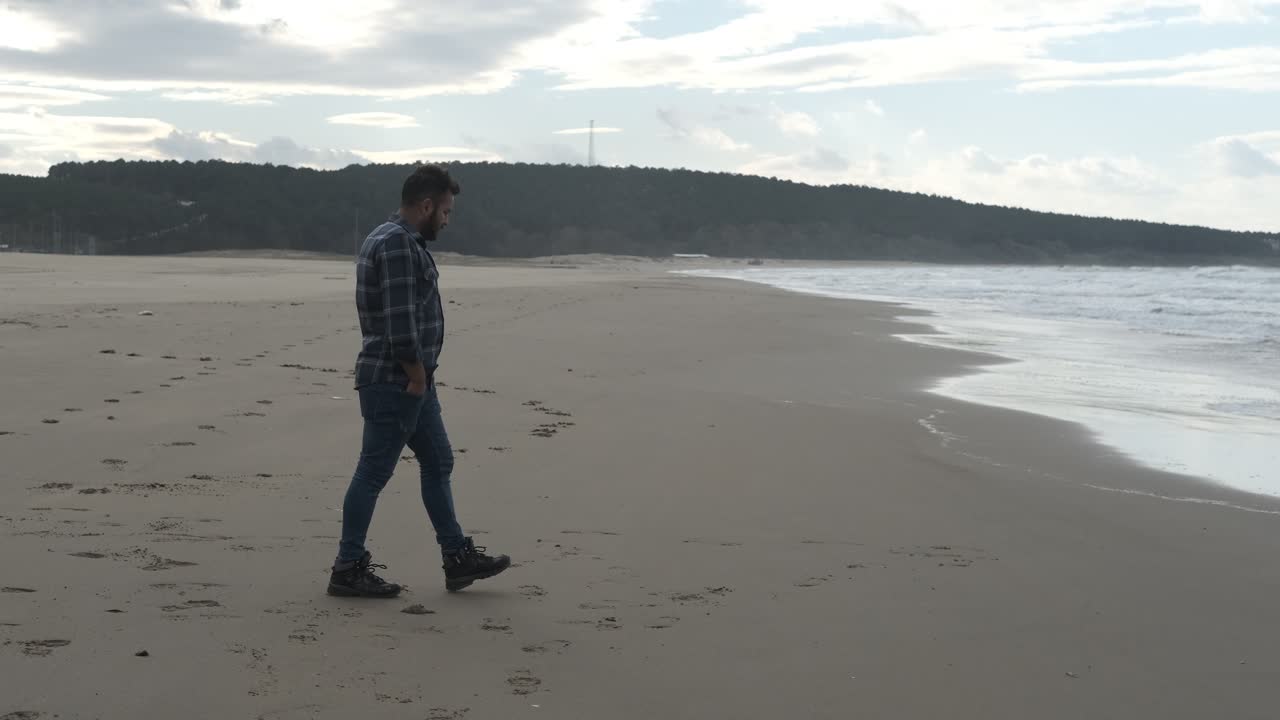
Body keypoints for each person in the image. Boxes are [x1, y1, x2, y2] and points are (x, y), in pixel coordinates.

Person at [328, 164, 510, 598]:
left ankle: (456, 557)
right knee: (373, 471)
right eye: (445, 211)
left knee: (438, 461)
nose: (447, 220)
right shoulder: (395, 245)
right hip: (396, 380)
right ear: (426, 205)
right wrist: (414, 377)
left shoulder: (392, 238)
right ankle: (347, 567)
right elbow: (399, 322)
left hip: (411, 381)